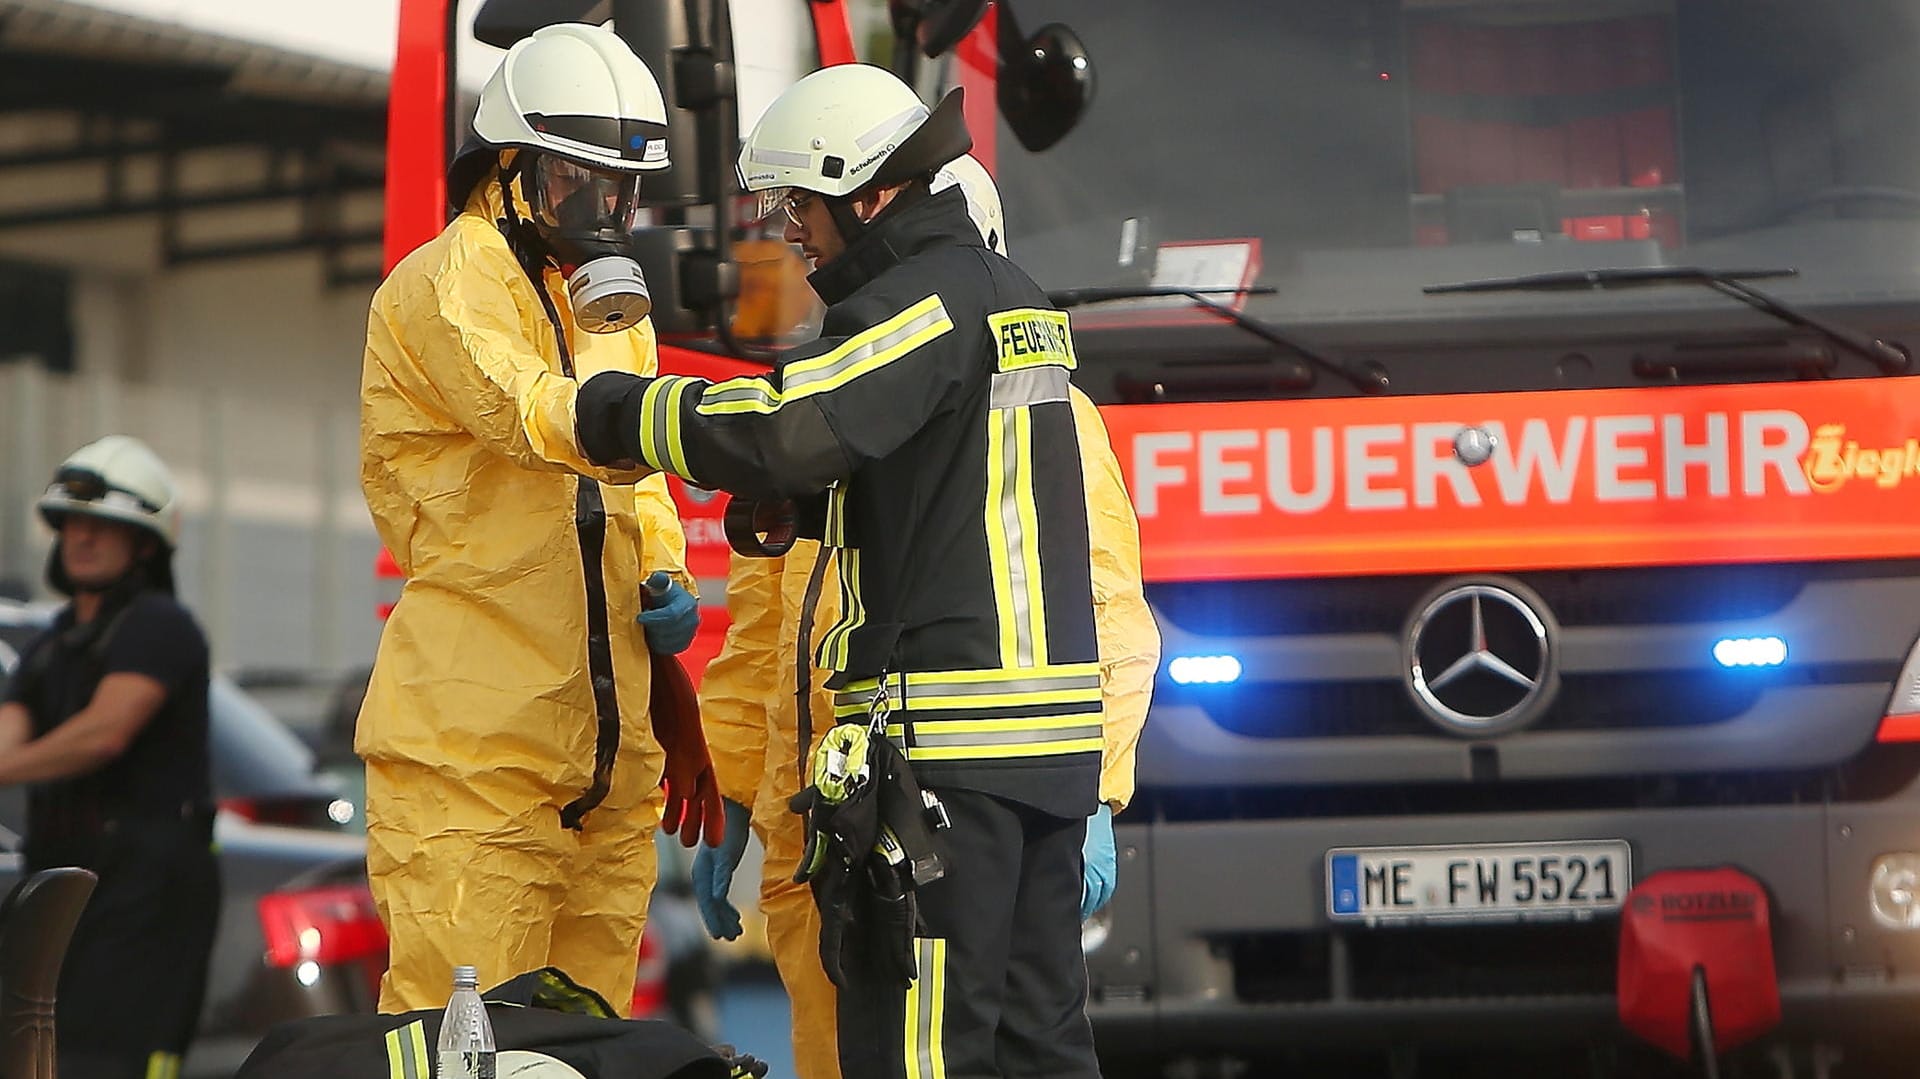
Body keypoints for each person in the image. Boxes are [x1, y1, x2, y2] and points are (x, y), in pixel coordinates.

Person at [575, 63, 1110, 1079]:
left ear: (865, 189)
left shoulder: (920, 301)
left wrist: (617, 409)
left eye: (796, 204)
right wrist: (819, 506)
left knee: (921, 1052)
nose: (789, 230)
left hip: (946, 755)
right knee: (1036, 1048)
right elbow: (949, 488)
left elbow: (785, 427)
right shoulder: (1010, 296)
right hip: (1042, 752)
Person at [690, 154, 1161, 1079]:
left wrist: (1099, 787)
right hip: (833, 812)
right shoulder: (851, 393)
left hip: (927, 794)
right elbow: (764, 630)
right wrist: (740, 787)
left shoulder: (1051, 414)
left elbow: (1103, 608)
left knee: (942, 1049)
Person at [358, 21, 720, 1014]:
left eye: (621, 190)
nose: (604, 212)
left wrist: (670, 600)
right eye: (579, 182)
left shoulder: (608, 312)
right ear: (512, 169)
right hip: (473, 768)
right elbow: (524, 410)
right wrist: (689, 419)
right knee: (466, 1046)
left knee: (585, 1048)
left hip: (606, 770)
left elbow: (635, 481)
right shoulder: (446, 280)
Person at [0, 435, 220, 1079]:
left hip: (146, 891)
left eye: (102, 526)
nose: (81, 538)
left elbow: (104, 734)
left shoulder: (159, 626)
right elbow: (8, 744)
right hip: (65, 875)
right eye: (71, 524)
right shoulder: (50, 646)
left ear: (145, 544)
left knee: (111, 1063)